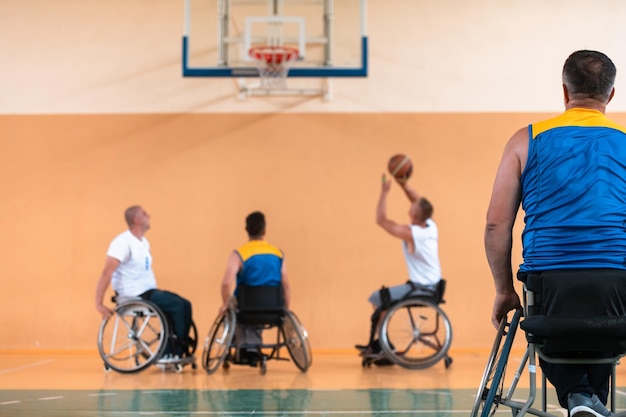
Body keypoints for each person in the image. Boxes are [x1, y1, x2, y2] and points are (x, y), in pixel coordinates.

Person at [485, 50, 626, 417]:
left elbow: (496, 224)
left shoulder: (524, 140)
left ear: (564, 92)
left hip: (549, 286)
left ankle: (579, 396)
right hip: (617, 285)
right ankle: (586, 399)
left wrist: (503, 290)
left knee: (553, 328)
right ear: (611, 96)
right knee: (603, 326)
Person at [357, 174, 442, 356]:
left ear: (414, 214)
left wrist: (384, 193)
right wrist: (403, 184)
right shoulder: (430, 225)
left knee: (376, 297)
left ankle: (383, 345)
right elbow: (416, 199)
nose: (409, 207)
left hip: (421, 288)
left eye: (411, 208)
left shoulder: (412, 234)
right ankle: (383, 343)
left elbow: (381, 220)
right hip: (432, 286)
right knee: (384, 301)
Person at [95, 205, 193, 361]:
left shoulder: (143, 242)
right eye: (145, 214)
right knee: (178, 305)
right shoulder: (122, 243)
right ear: (137, 220)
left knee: (185, 304)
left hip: (148, 291)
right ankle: (169, 353)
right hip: (133, 294)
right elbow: (107, 272)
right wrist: (99, 304)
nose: (149, 215)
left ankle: (177, 347)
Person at [219, 211, 291, 365]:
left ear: (246, 230)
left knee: (230, 307)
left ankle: (236, 343)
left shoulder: (240, 254)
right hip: (273, 307)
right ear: (264, 230)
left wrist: (225, 304)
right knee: (255, 304)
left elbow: (226, 284)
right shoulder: (278, 254)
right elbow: (286, 285)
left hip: (246, 307)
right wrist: (287, 310)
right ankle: (250, 346)